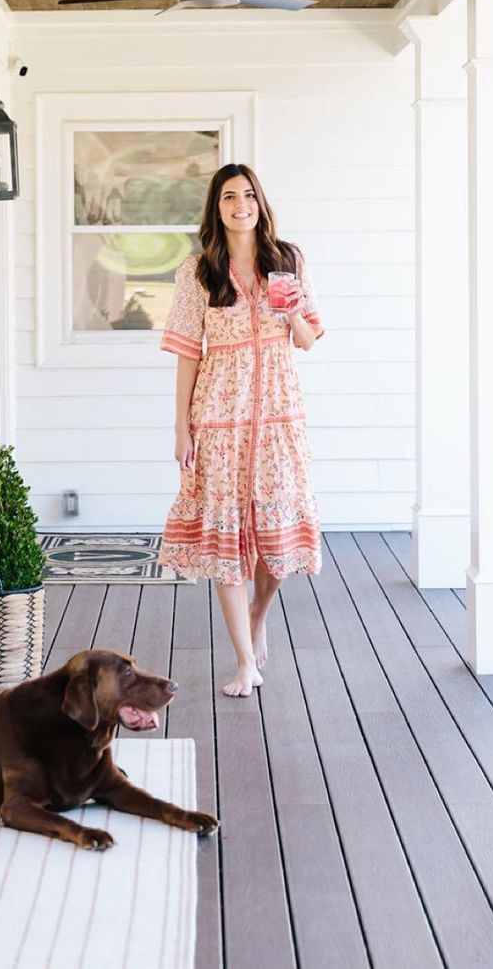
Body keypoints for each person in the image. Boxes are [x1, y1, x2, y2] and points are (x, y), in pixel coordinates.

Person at [159, 163, 323, 697]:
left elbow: (307, 340)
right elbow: (187, 354)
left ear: (260, 203)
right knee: (226, 540)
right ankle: (245, 663)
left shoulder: (288, 260)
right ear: (218, 207)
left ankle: (259, 609)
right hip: (218, 419)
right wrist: (182, 427)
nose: (240, 205)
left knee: (276, 538)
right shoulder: (197, 272)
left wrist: (292, 312)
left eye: (249, 195)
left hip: (278, 417)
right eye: (229, 196)